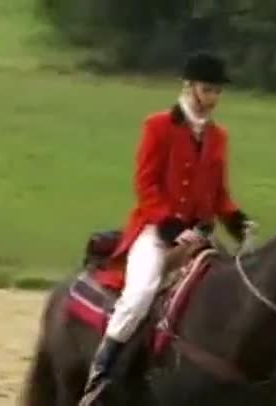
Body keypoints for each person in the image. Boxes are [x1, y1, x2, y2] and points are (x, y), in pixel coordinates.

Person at [78, 50, 256, 405]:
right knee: (140, 294)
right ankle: (102, 372)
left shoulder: (219, 136)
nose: (213, 98)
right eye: (207, 89)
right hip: (157, 232)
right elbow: (146, 185)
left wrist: (238, 221)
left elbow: (219, 194)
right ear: (189, 87)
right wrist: (171, 227)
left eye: (218, 91)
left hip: (200, 237)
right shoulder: (158, 126)